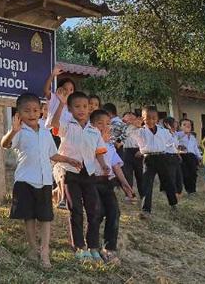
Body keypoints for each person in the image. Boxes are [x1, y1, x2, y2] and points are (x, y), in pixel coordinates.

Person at [1, 93, 81, 268]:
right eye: (27, 110)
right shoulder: (19, 131)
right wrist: (13, 130)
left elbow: (52, 154)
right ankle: (32, 248)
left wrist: (69, 160)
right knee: (29, 217)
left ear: (41, 112)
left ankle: (45, 251)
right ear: (18, 113)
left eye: (35, 110)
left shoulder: (45, 132)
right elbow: (5, 144)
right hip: (25, 180)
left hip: (45, 181)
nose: (31, 113)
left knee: (46, 218)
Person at [51, 91, 109, 262]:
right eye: (77, 107)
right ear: (70, 109)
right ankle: (79, 246)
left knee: (94, 210)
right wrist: (60, 104)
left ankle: (92, 246)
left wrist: (104, 164)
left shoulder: (94, 131)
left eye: (85, 106)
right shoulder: (67, 125)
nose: (82, 110)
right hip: (70, 172)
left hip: (89, 174)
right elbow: (54, 124)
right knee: (75, 209)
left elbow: (99, 152)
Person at [90, 109, 133, 264]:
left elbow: (116, 166)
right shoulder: (88, 139)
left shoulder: (110, 144)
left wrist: (125, 184)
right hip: (91, 182)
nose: (104, 126)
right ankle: (92, 246)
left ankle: (109, 248)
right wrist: (99, 139)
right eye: (99, 123)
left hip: (107, 183)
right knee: (97, 212)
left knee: (114, 212)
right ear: (92, 124)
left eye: (107, 123)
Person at [137, 106, 178, 217]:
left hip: (161, 157)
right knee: (147, 183)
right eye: (147, 118)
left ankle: (173, 204)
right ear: (143, 119)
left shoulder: (163, 131)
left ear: (157, 118)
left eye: (153, 118)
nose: (150, 120)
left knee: (168, 181)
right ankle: (146, 209)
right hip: (148, 158)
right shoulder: (140, 131)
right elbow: (137, 141)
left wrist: (174, 152)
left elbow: (171, 143)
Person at [178, 119, 202, 195]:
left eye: (189, 125)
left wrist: (199, 157)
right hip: (183, 156)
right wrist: (184, 133)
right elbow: (174, 143)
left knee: (193, 173)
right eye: (184, 124)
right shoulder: (178, 135)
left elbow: (195, 148)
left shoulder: (192, 137)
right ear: (180, 126)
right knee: (186, 174)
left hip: (192, 156)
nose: (187, 126)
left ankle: (193, 190)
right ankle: (189, 189)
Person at [123, 112, 144, 199]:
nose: (130, 121)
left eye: (132, 119)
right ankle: (129, 194)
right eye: (127, 119)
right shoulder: (122, 129)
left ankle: (143, 194)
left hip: (138, 152)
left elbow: (146, 141)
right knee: (127, 175)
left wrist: (141, 150)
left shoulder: (142, 129)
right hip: (126, 152)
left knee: (140, 175)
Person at [163, 117, 183, 198]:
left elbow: (176, 146)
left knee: (179, 176)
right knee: (171, 176)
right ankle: (172, 194)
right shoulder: (164, 133)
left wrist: (178, 155)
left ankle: (177, 192)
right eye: (174, 122)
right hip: (168, 156)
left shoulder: (174, 134)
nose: (176, 124)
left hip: (175, 156)